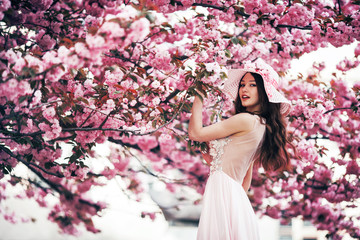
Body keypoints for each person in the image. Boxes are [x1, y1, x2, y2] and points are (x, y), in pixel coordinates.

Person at [188, 59, 293, 240]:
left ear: (265, 92)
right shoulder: (263, 126)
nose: (244, 89)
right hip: (235, 196)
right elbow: (245, 177)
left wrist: (198, 96)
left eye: (252, 85)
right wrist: (218, 167)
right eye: (242, 84)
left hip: (226, 192)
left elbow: (196, 133)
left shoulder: (245, 120)